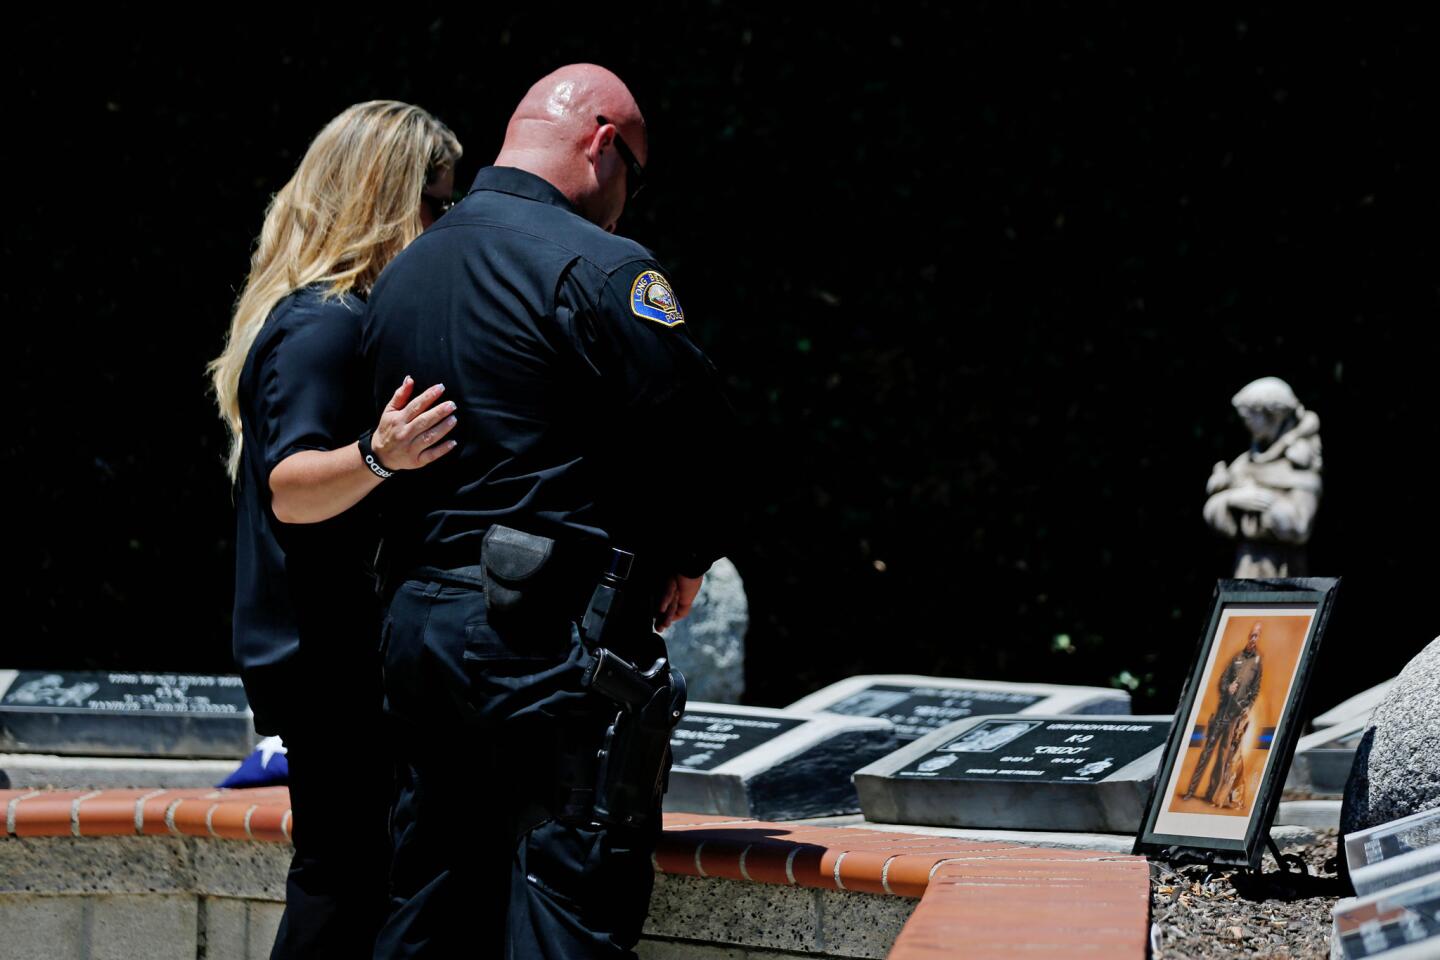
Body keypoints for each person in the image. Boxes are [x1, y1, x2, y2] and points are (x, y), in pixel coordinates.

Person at [361, 65, 736, 958]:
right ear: (603, 142)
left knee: (430, 899)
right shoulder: (607, 269)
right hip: (550, 642)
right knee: (573, 901)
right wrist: (685, 555)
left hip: (419, 632)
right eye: (634, 178)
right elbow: (695, 437)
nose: (627, 204)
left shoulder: (406, 271)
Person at [209, 100, 462, 959]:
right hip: (325, 659)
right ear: (386, 199)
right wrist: (382, 454)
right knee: (342, 878)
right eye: (436, 200)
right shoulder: (325, 322)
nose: (446, 221)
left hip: (326, 652)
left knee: (350, 874)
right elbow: (292, 487)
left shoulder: (326, 313)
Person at [1183, 621, 1264, 806]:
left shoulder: (1258, 663)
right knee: (1207, 751)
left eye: (1256, 636)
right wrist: (1227, 687)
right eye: (1252, 635)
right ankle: (1190, 791)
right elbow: (1223, 680)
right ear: (1248, 636)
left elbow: (1256, 689)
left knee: (1223, 756)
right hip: (1222, 711)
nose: (1253, 639)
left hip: (1236, 715)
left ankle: (1211, 795)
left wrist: (1249, 706)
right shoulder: (1237, 657)